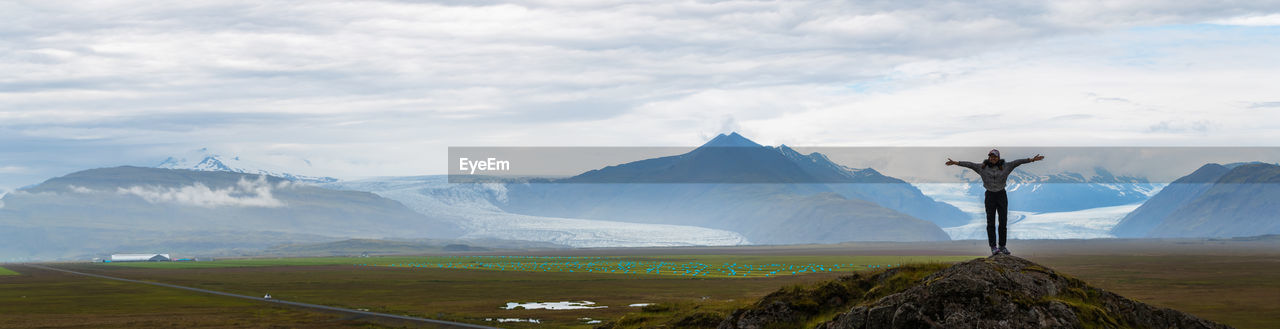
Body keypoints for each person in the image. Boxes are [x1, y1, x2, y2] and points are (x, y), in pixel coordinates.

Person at [946, 149, 1044, 256]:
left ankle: (1002, 246)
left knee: (1003, 222)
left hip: (1001, 195)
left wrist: (1031, 160)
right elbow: (970, 164)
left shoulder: (1006, 166)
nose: (993, 158)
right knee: (990, 222)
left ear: (998, 157)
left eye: (995, 157)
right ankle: (993, 247)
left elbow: (1017, 162)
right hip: (990, 196)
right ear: (989, 157)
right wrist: (956, 163)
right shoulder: (982, 167)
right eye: (991, 157)